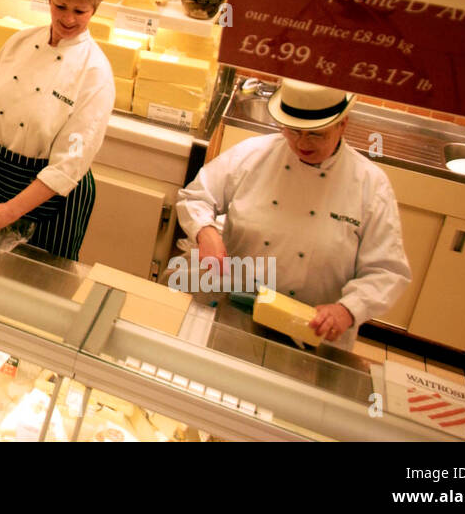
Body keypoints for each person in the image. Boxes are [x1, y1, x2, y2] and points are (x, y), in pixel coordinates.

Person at [176, 78, 411, 349]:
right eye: (292, 131)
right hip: (234, 312)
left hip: (313, 334)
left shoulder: (370, 185)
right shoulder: (254, 154)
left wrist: (347, 310)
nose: (302, 143)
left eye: (316, 134)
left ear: (342, 124)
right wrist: (205, 232)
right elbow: (197, 196)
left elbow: (387, 271)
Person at [0, 0, 115, 261]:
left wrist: (10, 211)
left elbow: (68, 165)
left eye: (80, 11)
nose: (68, 19)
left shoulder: (95, 72)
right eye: (60, 6)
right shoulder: (20, 41)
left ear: (95, 9)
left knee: (33, 281)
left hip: (49, 194)